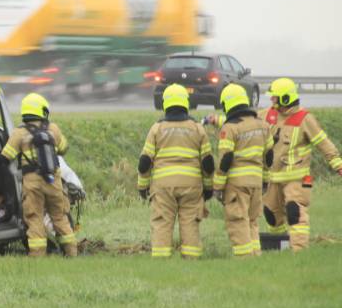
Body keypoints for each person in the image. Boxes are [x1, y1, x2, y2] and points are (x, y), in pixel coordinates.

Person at [256, 78, 342, 251]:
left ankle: (299, 251)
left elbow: (324, 144)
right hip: (273, 178)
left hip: (297, 178)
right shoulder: (267, 115)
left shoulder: (304, 119)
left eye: (275, 98)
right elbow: (246, 123)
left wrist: (338, 166)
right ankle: (280, 248)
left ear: (286, 99)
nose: (272, 102)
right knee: (271, 215)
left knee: (294, 212)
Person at [137, 84, 214, 259]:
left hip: (163, 187)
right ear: (186, 102)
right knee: (190, 223)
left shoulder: (156, 129)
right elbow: (208, 164)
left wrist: (143, 187)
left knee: (162, 223)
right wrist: (208, 188)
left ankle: (162, 262)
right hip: (192, 186)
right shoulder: (197, 128)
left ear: (165, 104)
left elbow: (144, 163)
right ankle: (191, 260)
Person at [0, 93, 77, 257]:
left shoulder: (19, 133)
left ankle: (37, 257)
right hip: (53, 180)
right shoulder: (53, 129)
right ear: (42, 110)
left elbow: (5, 157)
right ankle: (71, 253)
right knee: (59, 216)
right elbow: (64, 149)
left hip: (32, 183)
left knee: (35, 217)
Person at [212, 84, 274, 257]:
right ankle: (256, 256)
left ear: (227, 104)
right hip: (256, 182)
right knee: (253, 221)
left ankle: (245, 259)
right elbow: (268, 157)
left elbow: (226, 160)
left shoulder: (230, 127)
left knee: (238, 222)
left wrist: (217, 187)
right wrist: (265, 181)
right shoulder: (262, 125)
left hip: (237, 184)